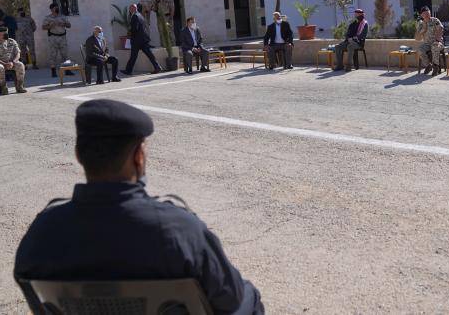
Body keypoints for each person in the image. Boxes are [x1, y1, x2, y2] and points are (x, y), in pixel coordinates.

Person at [13, 99, 265, 314]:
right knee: (249, 295)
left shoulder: (42, 233)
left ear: (78, 155)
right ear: (139, 156)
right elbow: (229, 299)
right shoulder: (179, 229)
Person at [122, 4, 163, 75]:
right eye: (130, 9)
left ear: (133, 9)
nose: (130, 10)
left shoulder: (135, 16)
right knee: (149, 54)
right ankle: (157, 67)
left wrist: (130, 33)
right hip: (143, 39)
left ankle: (128, 71)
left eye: (131, 9)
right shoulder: (140, 15)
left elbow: (135, 28)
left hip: (137, 40)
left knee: (133, 56)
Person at [0, 27, 26, 95]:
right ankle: (3, 88)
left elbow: (18, 53)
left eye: (5, 33)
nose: (5, 35)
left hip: (12, 62)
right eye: (2, 34)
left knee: (20, 65)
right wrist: (5, 64)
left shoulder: (12, 41)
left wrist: (13, 62)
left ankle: (20, 86)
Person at [42, 3, 72, 78]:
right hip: (53, 38)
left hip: (62, 37)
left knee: (65, 54)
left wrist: (63, 24)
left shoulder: (62, 16)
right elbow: (43, 27)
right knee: (53, 55)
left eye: (57, 7)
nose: (57, 9)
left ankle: (67, 70)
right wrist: (50, 26)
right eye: (56, 8)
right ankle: (53, 71)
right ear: (52, 9)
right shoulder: (48, 18)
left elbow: (69, 25)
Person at [415, 6, 444, 76]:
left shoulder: (435, 20)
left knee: (434, 46)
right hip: (427, 44)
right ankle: (428, 65)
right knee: (420, 49)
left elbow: (440, 30)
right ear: (422, 15)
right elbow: (417, 38)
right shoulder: (421, 24)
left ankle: (436, 67)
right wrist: (422, 30)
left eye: (428, 13)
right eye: (425, 14)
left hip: (437, 42)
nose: (427, 15)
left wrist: (437, 40)